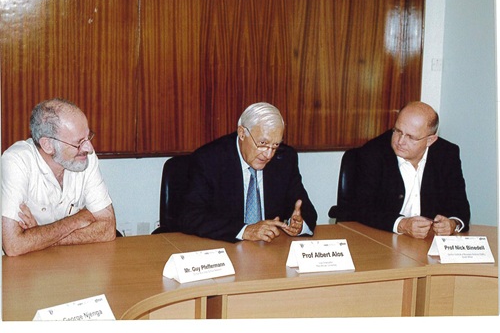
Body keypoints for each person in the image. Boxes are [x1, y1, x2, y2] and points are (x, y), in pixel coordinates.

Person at [179, 102, 317, 242]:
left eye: (275, 145)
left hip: (270, 250)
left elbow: (305, 210)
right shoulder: (209, 159)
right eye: (262, 144)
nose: (268, 155)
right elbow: (190, 216)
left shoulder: (285, 159)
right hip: (225, 247)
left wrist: (298, 225)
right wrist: (244, 230)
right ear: (242, 133)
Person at [2, 98, 117, 256]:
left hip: (69, 261)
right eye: (78, 142)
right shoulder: (16, 162)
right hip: (24, 266)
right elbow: (13, 246)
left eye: (88, 137)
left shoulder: (85, 158)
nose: (89, 148)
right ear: (48, 145)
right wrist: (77, 219)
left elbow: (108, 229)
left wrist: (37, 235)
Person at [346, 101, 470, 239]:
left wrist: (453, 223)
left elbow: (460, 206)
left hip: (427, 241)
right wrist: (401, 224)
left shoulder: (447, 154)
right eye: (398, 131)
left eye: (411, 137)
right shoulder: (372, 153)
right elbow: (361, 207)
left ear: (430, 140)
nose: (400, 141)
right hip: (382, 238)